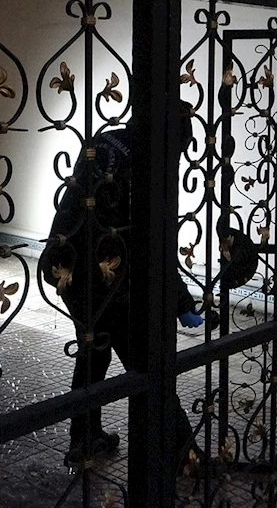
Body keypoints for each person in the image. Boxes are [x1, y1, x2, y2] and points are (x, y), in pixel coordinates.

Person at [39, 103, 210, 468]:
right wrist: (181, 301)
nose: (177, 160)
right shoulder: (142, 170)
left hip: (68, 265)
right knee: (147, 364)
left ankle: (85, 439)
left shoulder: (110, 143)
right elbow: (152, 244)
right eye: (178, 150)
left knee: (94, 352)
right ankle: (183, 451)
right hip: (105, 278)